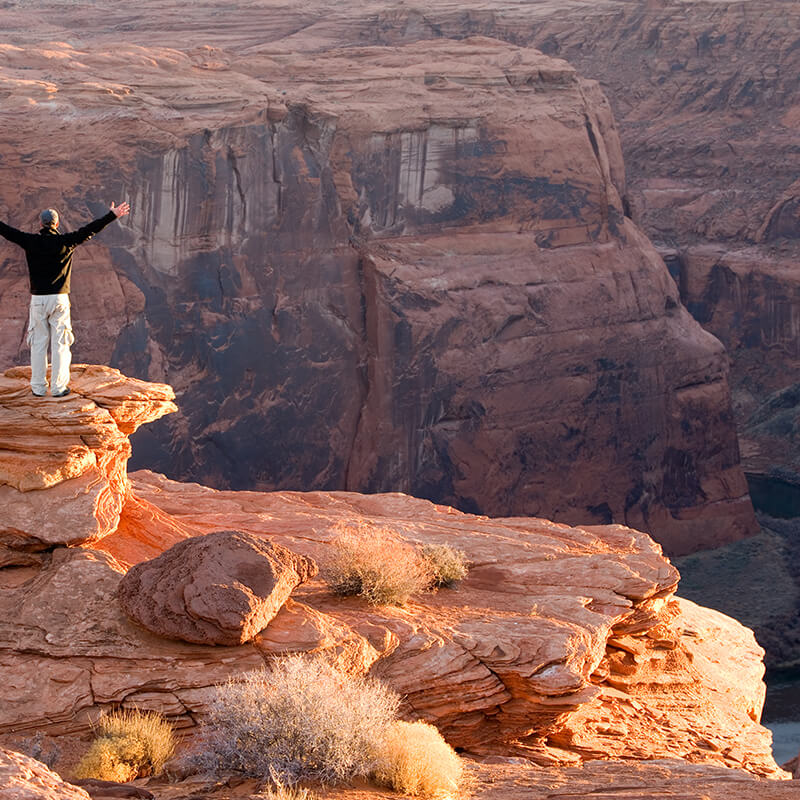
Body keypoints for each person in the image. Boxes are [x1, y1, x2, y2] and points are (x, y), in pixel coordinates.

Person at [0, 202, 130, 397]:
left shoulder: (30, 241)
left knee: (38, 344)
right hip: (60, 299)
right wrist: (112, 215)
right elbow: (90, 230)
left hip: (38, 300)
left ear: (40, 223)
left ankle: (38, 388)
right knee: (60, 344)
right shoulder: (67, 241)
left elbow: (7, 231)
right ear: (57, 223)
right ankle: (59, 388)